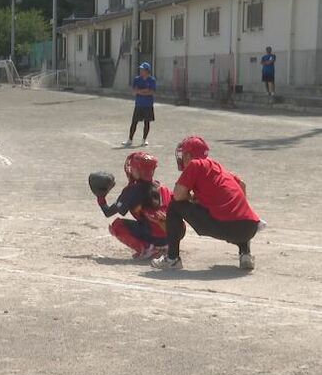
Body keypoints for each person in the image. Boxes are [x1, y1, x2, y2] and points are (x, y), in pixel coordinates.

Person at [151, 136, 263, 271]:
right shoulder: (217, 166)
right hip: (249, 228)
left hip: (226, 227)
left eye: (183, 154)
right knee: (237, 214)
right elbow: (242, 185)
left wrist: (190, 198)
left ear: (188, 155)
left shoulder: (195, 164)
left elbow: (179, 195)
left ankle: (172, 259)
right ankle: (245, 253)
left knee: (175, 205)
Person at [96, 152, 176, 260]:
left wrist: (101, 197)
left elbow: (108, 212)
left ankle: (148, 249)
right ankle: (165, 247)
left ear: (138, 171)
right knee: (155, 222)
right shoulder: (163, 188)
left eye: (132, 168)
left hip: (154, 234)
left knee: (117, 225)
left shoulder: (132, 191)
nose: (130, 169)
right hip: (172, 235)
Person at [122, 62, 156, 147]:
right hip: (139, 104)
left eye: (142, 69)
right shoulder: (137, 79)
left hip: (148, 105)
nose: (141, 71)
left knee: (147, 123)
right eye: (140, 69)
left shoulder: (152, 80)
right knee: (134, 122)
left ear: (147, 71)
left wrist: (140, 92)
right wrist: (144, 91)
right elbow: (134, 91)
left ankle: (144, 139)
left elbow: (151, 92)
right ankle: (130, 140)